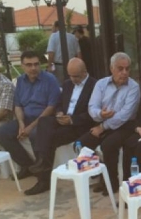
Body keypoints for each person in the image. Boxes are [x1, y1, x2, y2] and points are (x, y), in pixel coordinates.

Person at [25, 58, 97, 195]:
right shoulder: (68, 84)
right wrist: (59, 113)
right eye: (70, 75)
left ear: (84, 72)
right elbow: (59, 103)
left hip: (79, 125)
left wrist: (72, 120)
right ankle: (43, 166)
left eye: (76, 76)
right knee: (43, 121)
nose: (73, 79)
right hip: (63, 120)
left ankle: (43, 177)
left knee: (48, 139)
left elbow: (93, 113)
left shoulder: (95, 86)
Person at [77, 52, 140, 193]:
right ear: (112, 68)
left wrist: (102, 126)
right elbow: (92, 107)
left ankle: (111, 183)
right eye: (120, 68)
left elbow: (124, 115)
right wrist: (100, 114)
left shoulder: (133, 87)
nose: (124, 72)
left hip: (125, 125)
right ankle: (100, 176)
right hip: (103, 122)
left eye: (127, 69)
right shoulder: (101, 84)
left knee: (108, 144)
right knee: (82, 143)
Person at [0, 51, 60, 179]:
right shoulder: (20, 81)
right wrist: (21, 124)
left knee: (35, 134)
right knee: (2, 133)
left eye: (36, 64)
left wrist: (30, 127)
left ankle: (43, 175)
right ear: (22, 66)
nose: (33, 68)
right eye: (29, 65)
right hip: (25, 119)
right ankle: (27, 165)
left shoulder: (50, 80)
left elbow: (51, 107)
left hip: (45, 120)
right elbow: (18, 105)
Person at [47, 21, 80, 85]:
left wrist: (50, 66)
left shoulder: (53, 36)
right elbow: (79, 54)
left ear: (56, 27)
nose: (52, 29)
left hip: (59, 66)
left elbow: (51, 53)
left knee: (60, 85)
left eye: (52, 27)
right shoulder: (73, 37)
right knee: (72, 84)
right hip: (72, 65)